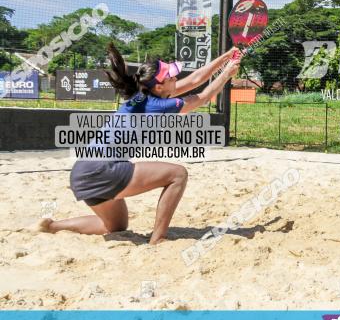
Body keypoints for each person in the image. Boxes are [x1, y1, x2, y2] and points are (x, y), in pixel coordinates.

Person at [36, 43, 240, 244]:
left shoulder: (142, 96)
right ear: (159, 86)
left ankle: (52, 226)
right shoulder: (159, 105)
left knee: (115, 227)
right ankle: (157, 240)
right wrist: (226, 74)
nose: (176, 78)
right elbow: (202, 98)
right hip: (103, 168)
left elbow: (195, 79)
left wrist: (226, 57)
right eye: (171, 77)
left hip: (81, 172)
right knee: (178, 174)